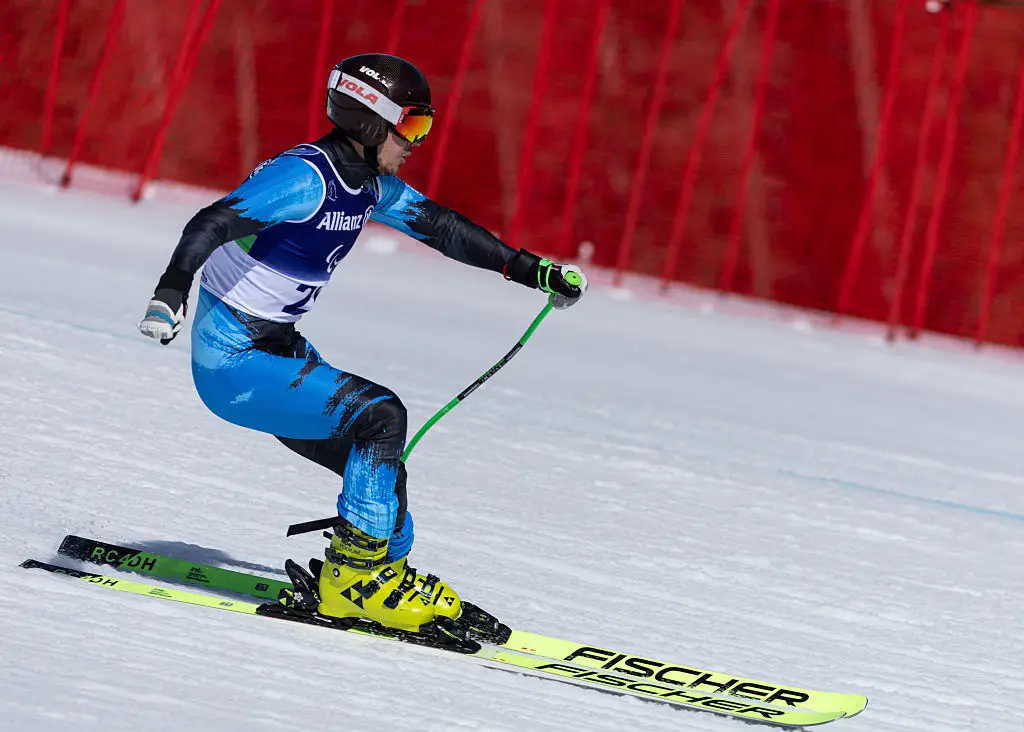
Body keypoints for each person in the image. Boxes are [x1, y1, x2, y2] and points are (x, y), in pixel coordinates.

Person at [137, 54, 586, 635]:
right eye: (414, 127)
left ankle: (382, 579)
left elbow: (442, 227)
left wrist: (531, 270)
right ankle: (353, 582)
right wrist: (171, 291)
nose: (417, 142)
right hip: (233, 365)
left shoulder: (367, 185)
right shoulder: (307, 177)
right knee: (381, 415)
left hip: (277, 351)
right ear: (375, 121)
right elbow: (213, 221)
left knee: (382, 472)